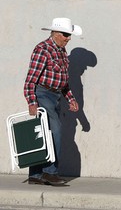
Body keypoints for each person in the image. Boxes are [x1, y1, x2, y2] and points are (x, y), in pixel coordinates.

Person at [24, 18, 82, 186]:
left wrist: (70, 99)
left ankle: (35, 175)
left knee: (42, 133)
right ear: (56, 34)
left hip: (54, 96)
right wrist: (32, 101)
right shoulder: (43, 50)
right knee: (55, 130)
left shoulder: (62, 52)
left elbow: (63, 81)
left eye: (69, 35)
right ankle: (50, 172)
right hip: (42, 95)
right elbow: (30, 80)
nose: (68, 38)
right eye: (65, 35)